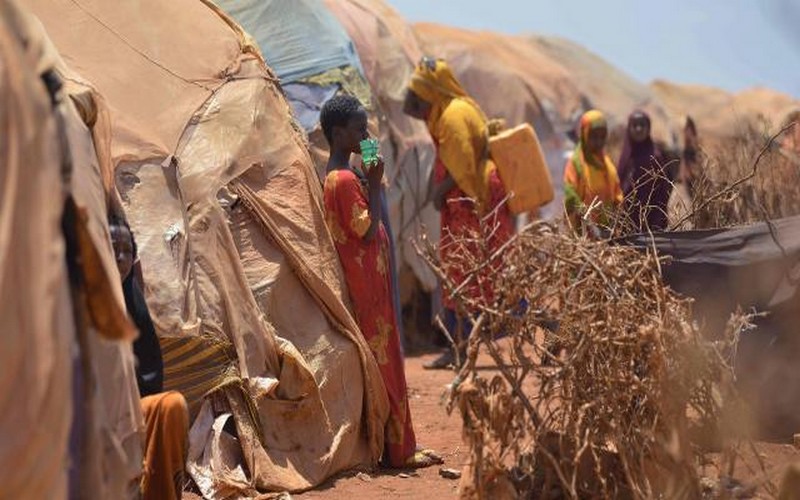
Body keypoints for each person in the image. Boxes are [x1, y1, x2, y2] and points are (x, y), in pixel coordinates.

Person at [319, 94, 441, 468]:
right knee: (386, 365)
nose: (366, 133)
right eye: (359, 129)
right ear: (339, 135)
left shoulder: (344, 172)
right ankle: (399, 451)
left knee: (386, 363)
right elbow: (368, 230)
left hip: (371, 281)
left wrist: (372, 172)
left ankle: (398, 445)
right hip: (367, 287)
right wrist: (373, 183)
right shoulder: (342, 181)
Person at [403, 57, 513, 370]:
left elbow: (461, 164)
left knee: (462, 272)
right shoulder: (453, 110)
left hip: (469, 200)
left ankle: (461, 348)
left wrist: (438, 193)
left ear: (432, 91)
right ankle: (463, 345)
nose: (413, 102)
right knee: (474, 270)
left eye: (418, 94)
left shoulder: (451, 116)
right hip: (470, 198)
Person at [110, 218, 190, 500]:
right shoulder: (76, 302)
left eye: (127, 251)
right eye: (112, 248)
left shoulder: (134, 302)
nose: (120, 257)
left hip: (131, 411)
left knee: (172, 406)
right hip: (89, 416)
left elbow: (148, 374)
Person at [563, 109, 623, 234]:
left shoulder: (607, 163)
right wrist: (588, 221)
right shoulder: (576, 163)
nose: (598, 142)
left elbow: (617, 193)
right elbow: (570, 196)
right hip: (583, 234)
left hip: (607, 232)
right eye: (593, 137)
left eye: (602, 137)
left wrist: (615, 219)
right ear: (584, 135)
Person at [617, 110, 671, 232]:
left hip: (651, 224)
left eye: (642, 125)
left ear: (648, 128)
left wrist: (657, 224)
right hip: (625, 224)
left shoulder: (655, 157)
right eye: (634, 125)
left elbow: (662, 193)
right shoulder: (625, 156)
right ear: (629, 128)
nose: (638, 129)